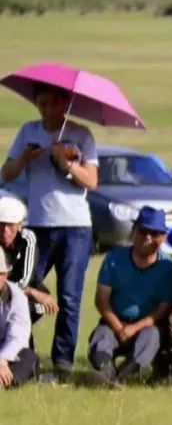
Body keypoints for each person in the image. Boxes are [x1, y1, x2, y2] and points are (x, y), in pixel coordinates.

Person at [1, 83, 99, 379]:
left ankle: (63, 364)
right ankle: (21, 352)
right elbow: (6, 173)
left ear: (64, 104)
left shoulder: (82, 134)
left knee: (69, 297)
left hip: (76, 228)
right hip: (38, 226)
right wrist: (25, 160)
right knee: (19, 287)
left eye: (53, 104)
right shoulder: (28, 132)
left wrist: (66, 163)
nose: (47, 110)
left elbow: (92, 181)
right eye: (41, 104)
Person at [86, 207, 172, 385]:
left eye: (155, 234)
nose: (148, 238)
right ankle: (105, 370)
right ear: (134, 232)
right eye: (143, 232)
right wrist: (119, 327)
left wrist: (133, 328)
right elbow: (101, 301)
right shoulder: (114, 259)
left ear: (164, 237)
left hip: (147, 323)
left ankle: (121, 377)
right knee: (102, 337)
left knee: (151, 338)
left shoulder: (168, 268)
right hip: (115, 319)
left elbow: (162, 310)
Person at [0, 194, 52, 324]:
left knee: (37, 307)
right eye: (1, 225)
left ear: (20, 225)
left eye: (10, 225)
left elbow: (24, 281)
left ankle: (23, 339)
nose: (5, 231)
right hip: (9, 292)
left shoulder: (27, 239)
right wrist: (31, 292)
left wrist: (29, 290)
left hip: (18, 294)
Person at [0, 250, 38, 389]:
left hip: (8, 355)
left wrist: (2, 360)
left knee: (29, 357)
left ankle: (6, 381)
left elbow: (18, 337)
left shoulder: (17, 297)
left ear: (5, 275)